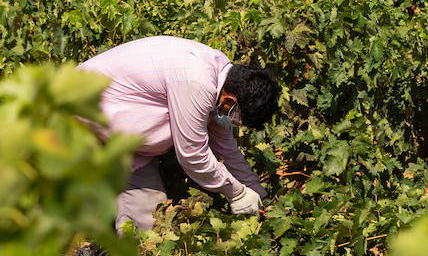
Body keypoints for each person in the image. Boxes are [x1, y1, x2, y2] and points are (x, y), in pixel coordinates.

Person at [78, 36, 280, 232]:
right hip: (80, 117)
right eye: (237, 120)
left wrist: (257, 191)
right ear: (229, 102)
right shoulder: (197, 82)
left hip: (125, 141)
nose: (234, 125)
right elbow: (192, 155)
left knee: (147, 226)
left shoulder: (223, 80)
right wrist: (237, 193)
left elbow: (227, 148)